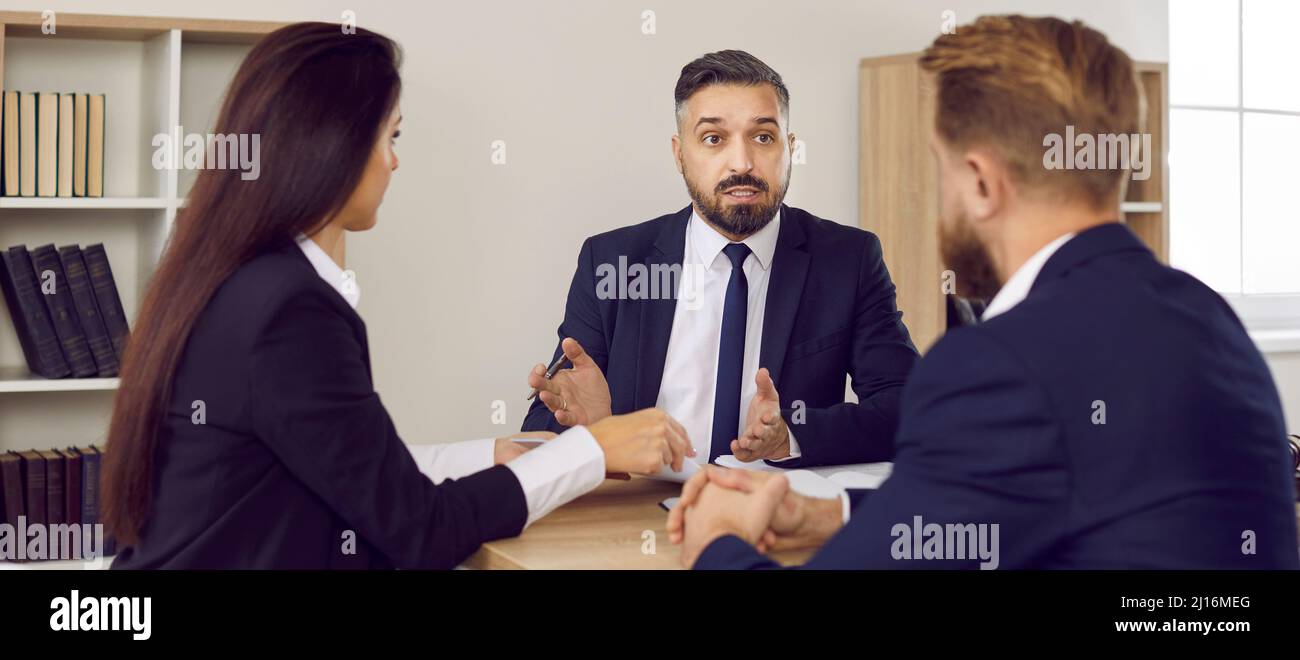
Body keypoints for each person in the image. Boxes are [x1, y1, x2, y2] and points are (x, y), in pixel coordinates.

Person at [669, 15, 1300, 570]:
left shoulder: (997, 364)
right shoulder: (1209, 317)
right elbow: (1047, 500)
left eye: (942, 168)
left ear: (979, 182)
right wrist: (829, 512)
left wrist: (717, 541)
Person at [101, 22, 692, 570]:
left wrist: (502, 453)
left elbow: (357, 470)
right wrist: (590, 449)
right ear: (332, 143)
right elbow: (418, 529)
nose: (394, 160)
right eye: (391, 135)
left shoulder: (235, 276)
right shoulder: (289, 310)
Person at [522, 50, 917, 469]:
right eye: (714, 139)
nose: (742, 163)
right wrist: (595, 433)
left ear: (791, 148)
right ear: (679, 155)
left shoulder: (848, 260)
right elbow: (544, 423)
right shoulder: (613, 262)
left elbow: (909, 409)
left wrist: (791, 436)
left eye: (763, 137)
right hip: (638, 515)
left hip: (772, 517)